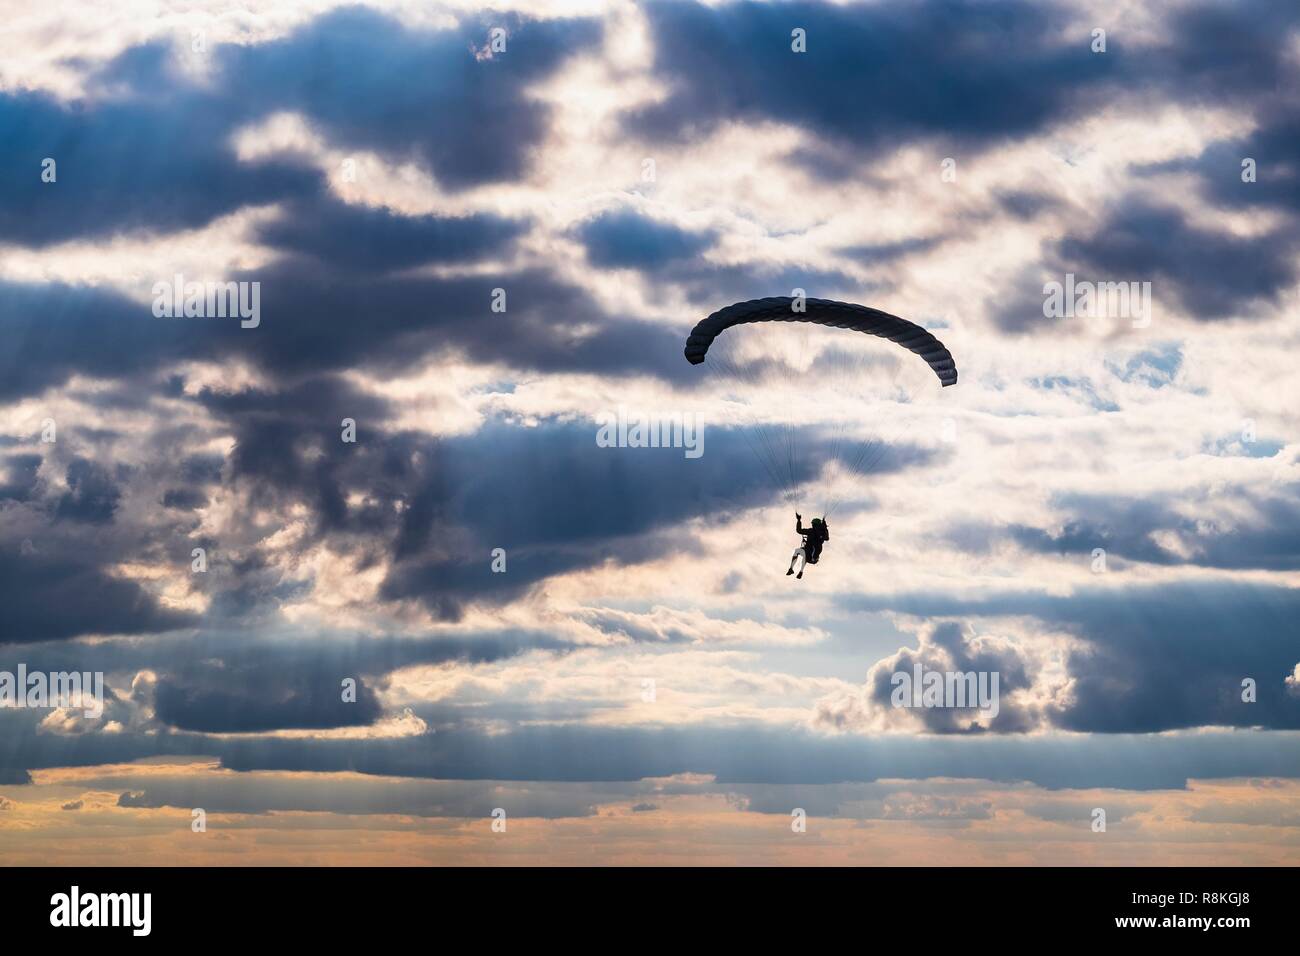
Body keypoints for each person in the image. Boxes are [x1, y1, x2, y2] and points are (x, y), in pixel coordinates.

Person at [787, 513, 828, 579]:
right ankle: (799, 571)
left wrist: (799, 520)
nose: (812, 525)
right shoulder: (823, 532)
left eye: (812, 524)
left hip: (812, 554)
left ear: (814, 525)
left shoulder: (811, 531)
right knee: (804, 554)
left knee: (798, 552)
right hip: (813, 556)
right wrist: (825, 528)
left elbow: (799, 530)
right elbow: (827, 538)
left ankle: (793, 569)